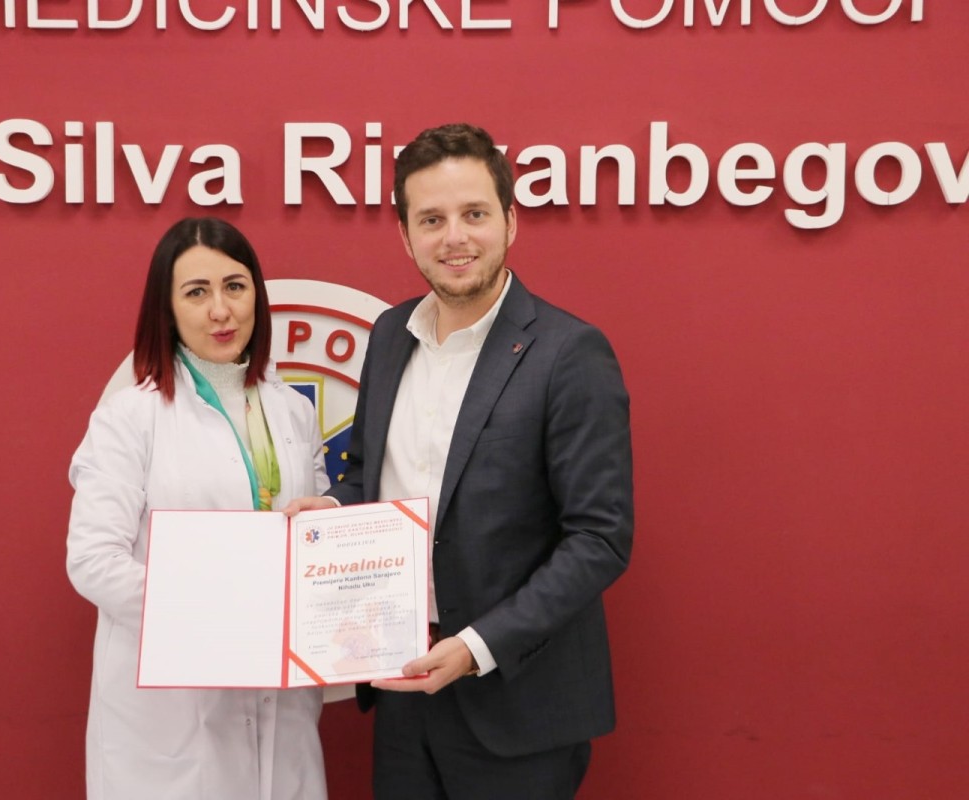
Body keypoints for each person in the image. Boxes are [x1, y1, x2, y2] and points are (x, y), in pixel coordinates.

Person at [287, 124, 634, 799]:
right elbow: (368, 473)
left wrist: (476, 647)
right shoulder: (390, 335)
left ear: (510, 221)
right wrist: (330, 509)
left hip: (517, 702)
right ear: (405, 234)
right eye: (432, 219)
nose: (455, 237)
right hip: (402, 685)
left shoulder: (569, 353)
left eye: (474, 214)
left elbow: (600, 539)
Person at [66, 217, 330, 800]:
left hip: (280, 705)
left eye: (235, 287)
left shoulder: (293, 411)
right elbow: (93, 562)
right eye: (196, 292)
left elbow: (309, 534)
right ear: (166, 309)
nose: (220, 310)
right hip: (171, 724)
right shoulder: (130, 418)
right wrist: (217, 610)